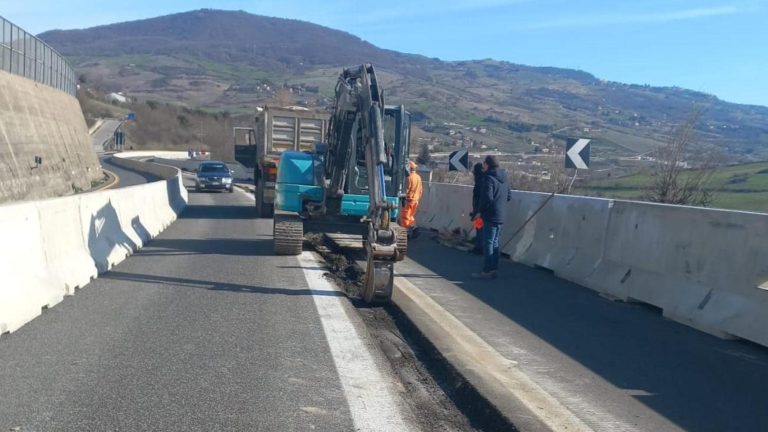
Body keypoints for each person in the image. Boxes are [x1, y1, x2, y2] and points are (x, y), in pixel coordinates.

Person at [473, 155, 508, 279]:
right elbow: (508, 196)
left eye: (484, 164)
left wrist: (479, 212)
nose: (483, 166)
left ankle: (487, 270)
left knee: (488, 242)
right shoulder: (504, 178)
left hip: (490, 215)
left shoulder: (488, 178)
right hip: (500, 215)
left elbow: (487, 198)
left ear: (488, 165)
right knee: (495, 242)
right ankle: (494, 268)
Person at [399, 160, 423, 238]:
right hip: (416, 200)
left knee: (405, 217)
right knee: (410, 216)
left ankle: (405, 234)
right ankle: (415, 229)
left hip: (409, 200)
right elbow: (421, 190)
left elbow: (406, 191)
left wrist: (400, 195)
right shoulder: (418, 177)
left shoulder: (409, 178)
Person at [469, 162, 485, 255]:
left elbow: (479, 197)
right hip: (478, 209)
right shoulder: (482, 180)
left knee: (480, 229)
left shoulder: (480, 181)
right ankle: (478, 247)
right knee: (479, 228)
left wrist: (477, 211)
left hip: (479, 210)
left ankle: (479, 248)